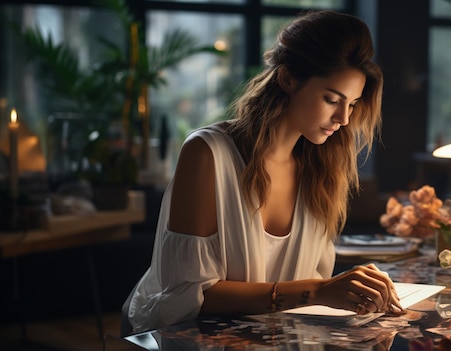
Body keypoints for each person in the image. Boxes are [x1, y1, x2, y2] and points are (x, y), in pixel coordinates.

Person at [121, 9, 404, 336]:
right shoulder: (207, 154)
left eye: (352, 104)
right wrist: (318, 290)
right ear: (287, 79)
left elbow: (314, 283)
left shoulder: (322, 168)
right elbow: (186, 296)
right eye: (331, 99)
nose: (343, 118)